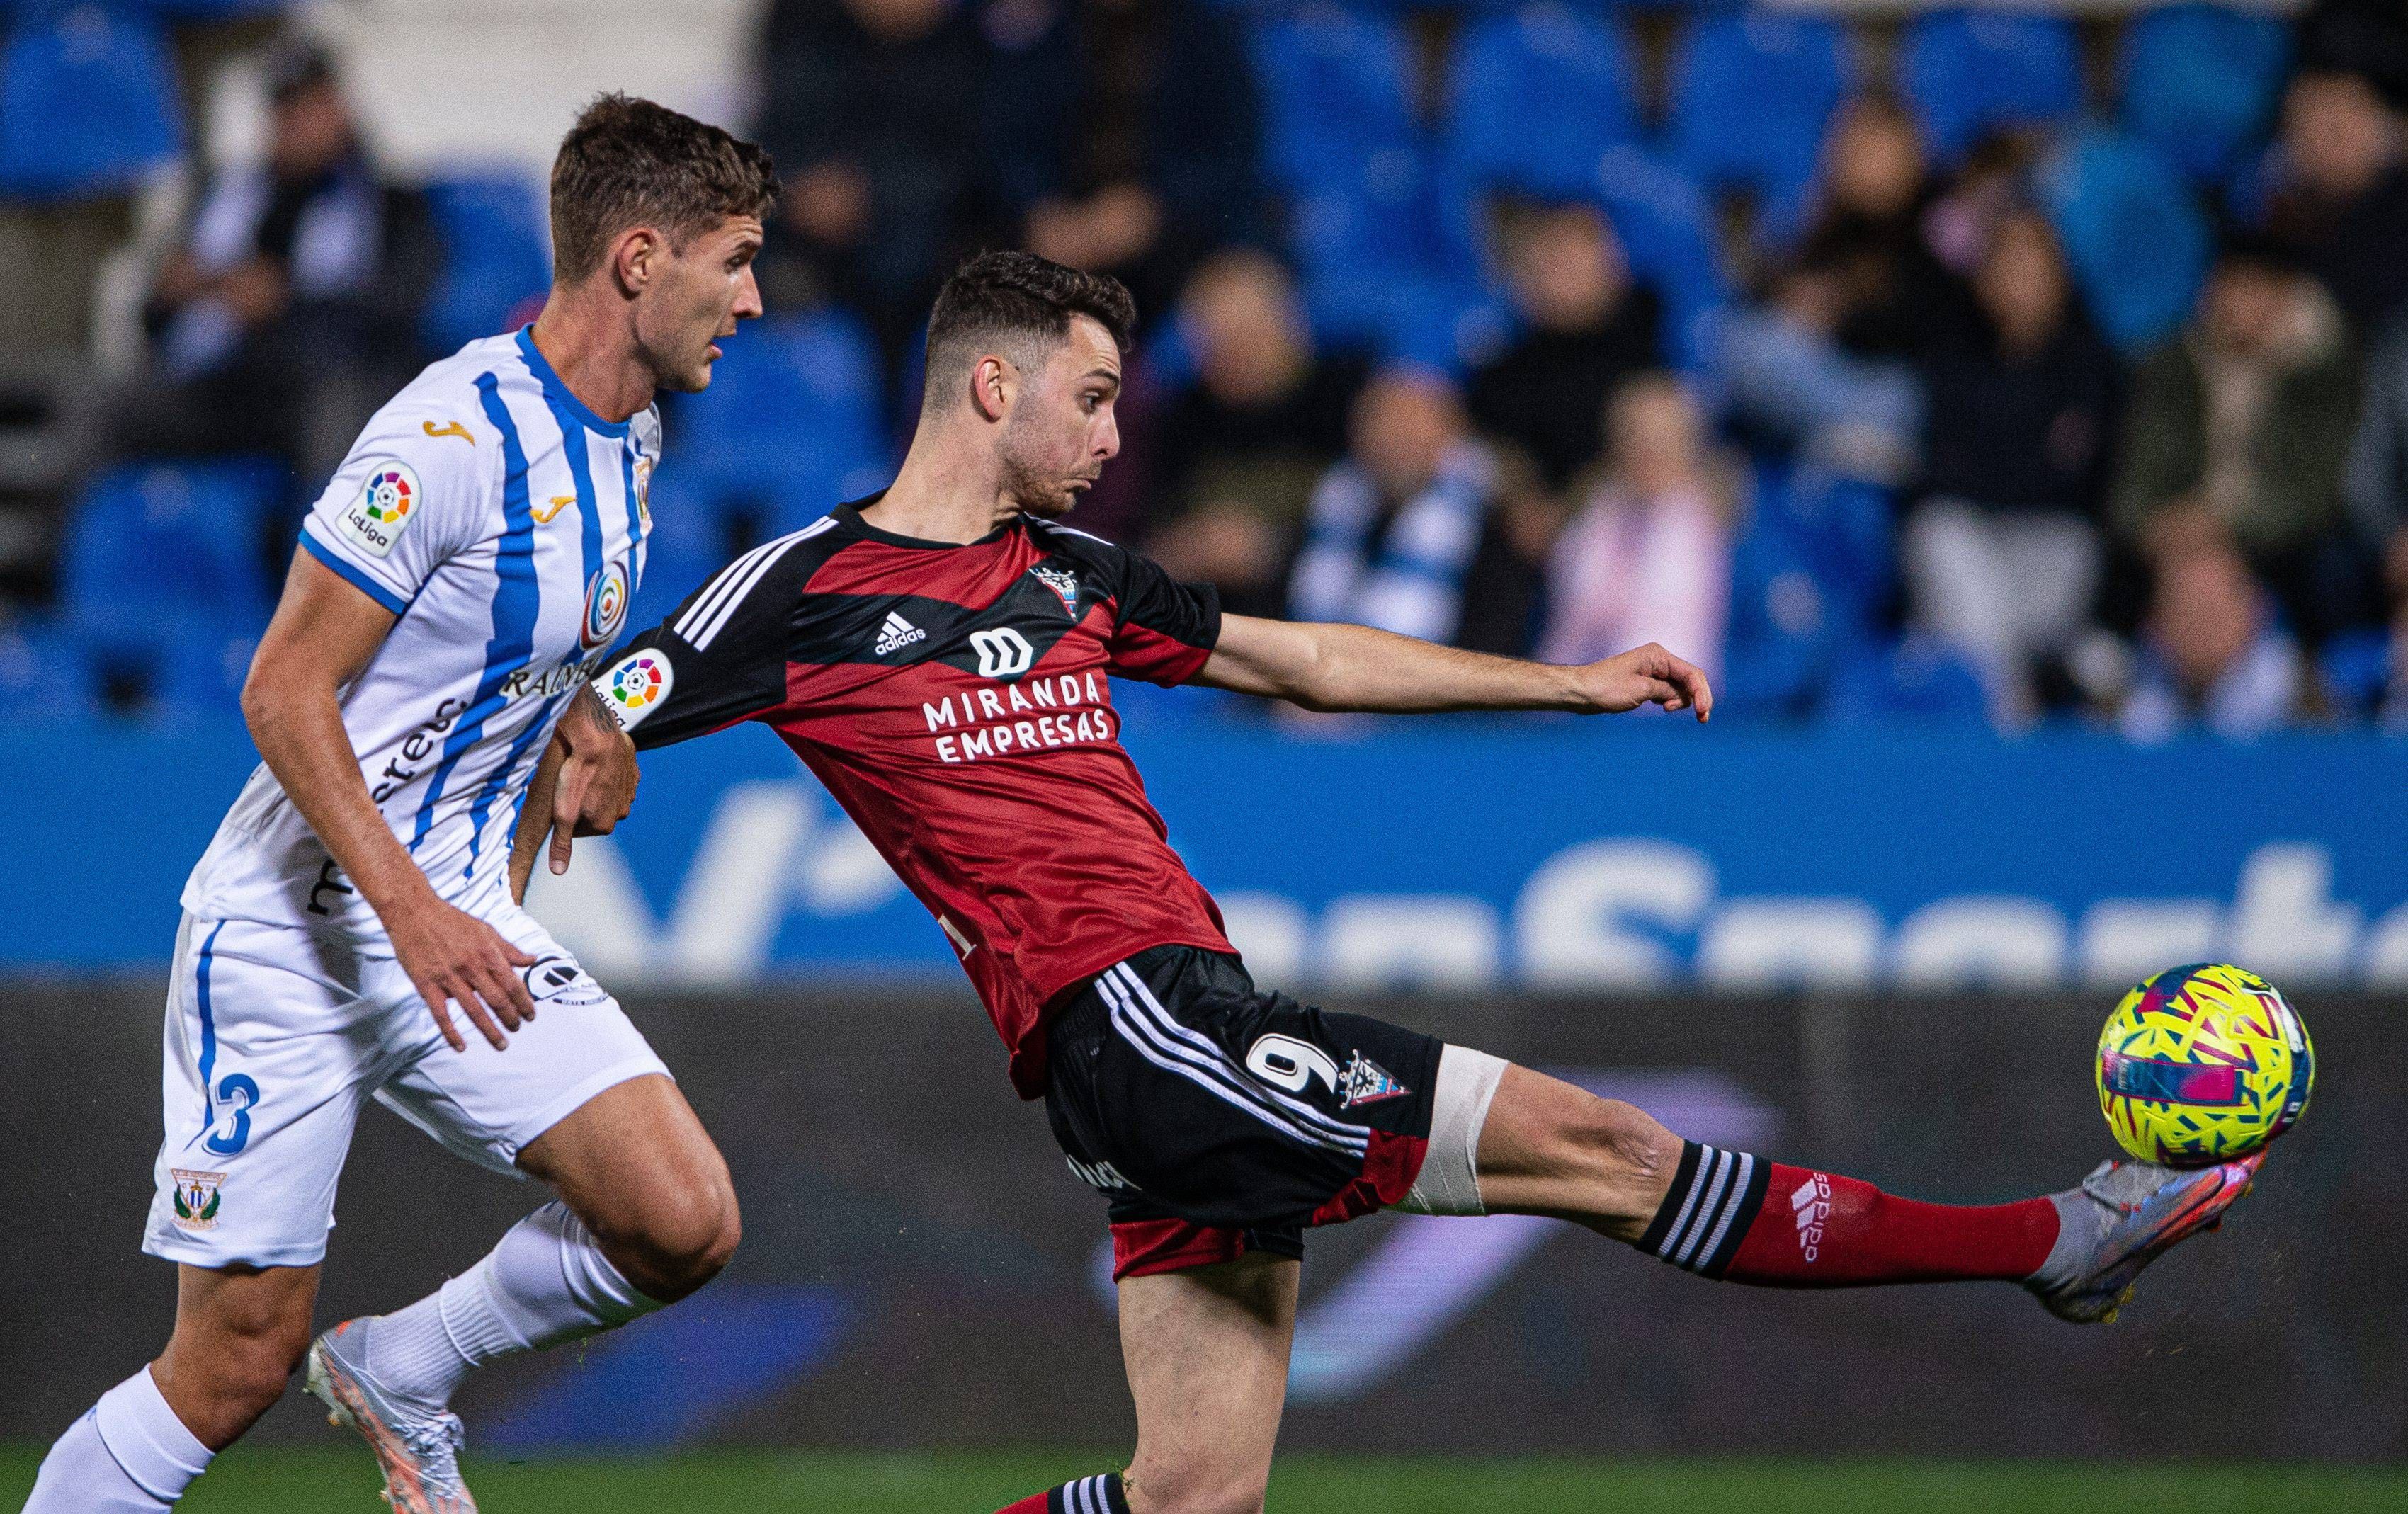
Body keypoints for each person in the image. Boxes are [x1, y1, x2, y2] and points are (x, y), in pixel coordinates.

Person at [543, 251, 2262, 1514]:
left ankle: (2054, 1245)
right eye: (1089, 395)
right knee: (1612, 1151)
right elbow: (608, 694)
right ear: (989, 386)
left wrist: (1564, 684)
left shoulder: (1067, 565)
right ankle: (2052, 1237)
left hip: (1155, 1046)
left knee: (1189, 1498)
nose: (1111, 428)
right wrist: (600, 737)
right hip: (1136, 1020)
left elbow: (1299, 657)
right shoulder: (809, 584)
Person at [20, 96, 776, 1514]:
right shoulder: (447, 434)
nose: (752, 296)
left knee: (682, 1219)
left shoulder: (634, 439)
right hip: (295, 933)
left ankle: (405, 1368)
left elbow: (515, 643)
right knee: (235, 1363)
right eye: (731, 260)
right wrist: (412, 909)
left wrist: (588, 720)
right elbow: (283, 692)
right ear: (636, 257)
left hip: (450, 923)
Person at [109, 41, 441, 483]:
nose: (298, 124)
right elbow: (153, 322)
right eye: (286, 110)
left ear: (339, 109)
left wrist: (284, 304)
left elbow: (396, 308)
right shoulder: (229, 197)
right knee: (107, 406)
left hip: (324, 386)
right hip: (229, 384)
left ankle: (322, 551)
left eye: (311, 106)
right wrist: (174, 294)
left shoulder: (390, 205)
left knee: (340, 423)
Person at [1905, 207, 2120, 725]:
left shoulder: (2093, 364)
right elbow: (1937, 476)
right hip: (1974, 549)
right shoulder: (1953, 357)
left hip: (2053, 548)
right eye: (2005, 265)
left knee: (2056, 556)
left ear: (2059, 276)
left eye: (2032, 266)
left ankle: (2014, 683)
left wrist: (1997, 466)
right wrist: (2028, 460)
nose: (2018, 281)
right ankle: (2013, 698)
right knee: (1936, 532)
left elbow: (2076, 485)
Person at [2109, 236, 2359, 640]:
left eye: (2256, 287)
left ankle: (2316, 684)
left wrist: (2225, 526)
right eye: (2232, 285)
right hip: (2179, 534)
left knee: (2332, 569)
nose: (2240, 303)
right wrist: (2156, 526)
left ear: (2285, 295)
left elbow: (2318, 489)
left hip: (2277, 539)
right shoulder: (2172, 364)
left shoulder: (2323, 368)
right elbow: (2135, 477)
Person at [1539, 373, 1733, 681]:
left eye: (1662, 440)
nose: (1648, 453)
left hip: (1684, 716)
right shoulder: (1583, 524)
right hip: (1571, 710)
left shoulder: (1728, 532)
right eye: (1635, 437)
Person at [1466, 200, 1662, 492]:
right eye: (1548, 252)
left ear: (1614, 263)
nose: (1559, 262)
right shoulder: (1500, 362)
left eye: (1573, 251)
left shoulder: (1655, 325)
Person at [2118, 541, 2316, 741]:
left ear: (2258, 609)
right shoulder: (2130, 693)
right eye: (2188, 608)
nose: (2205, 622)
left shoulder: (2302, 696)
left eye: (2214, 606)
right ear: (2154, 621)